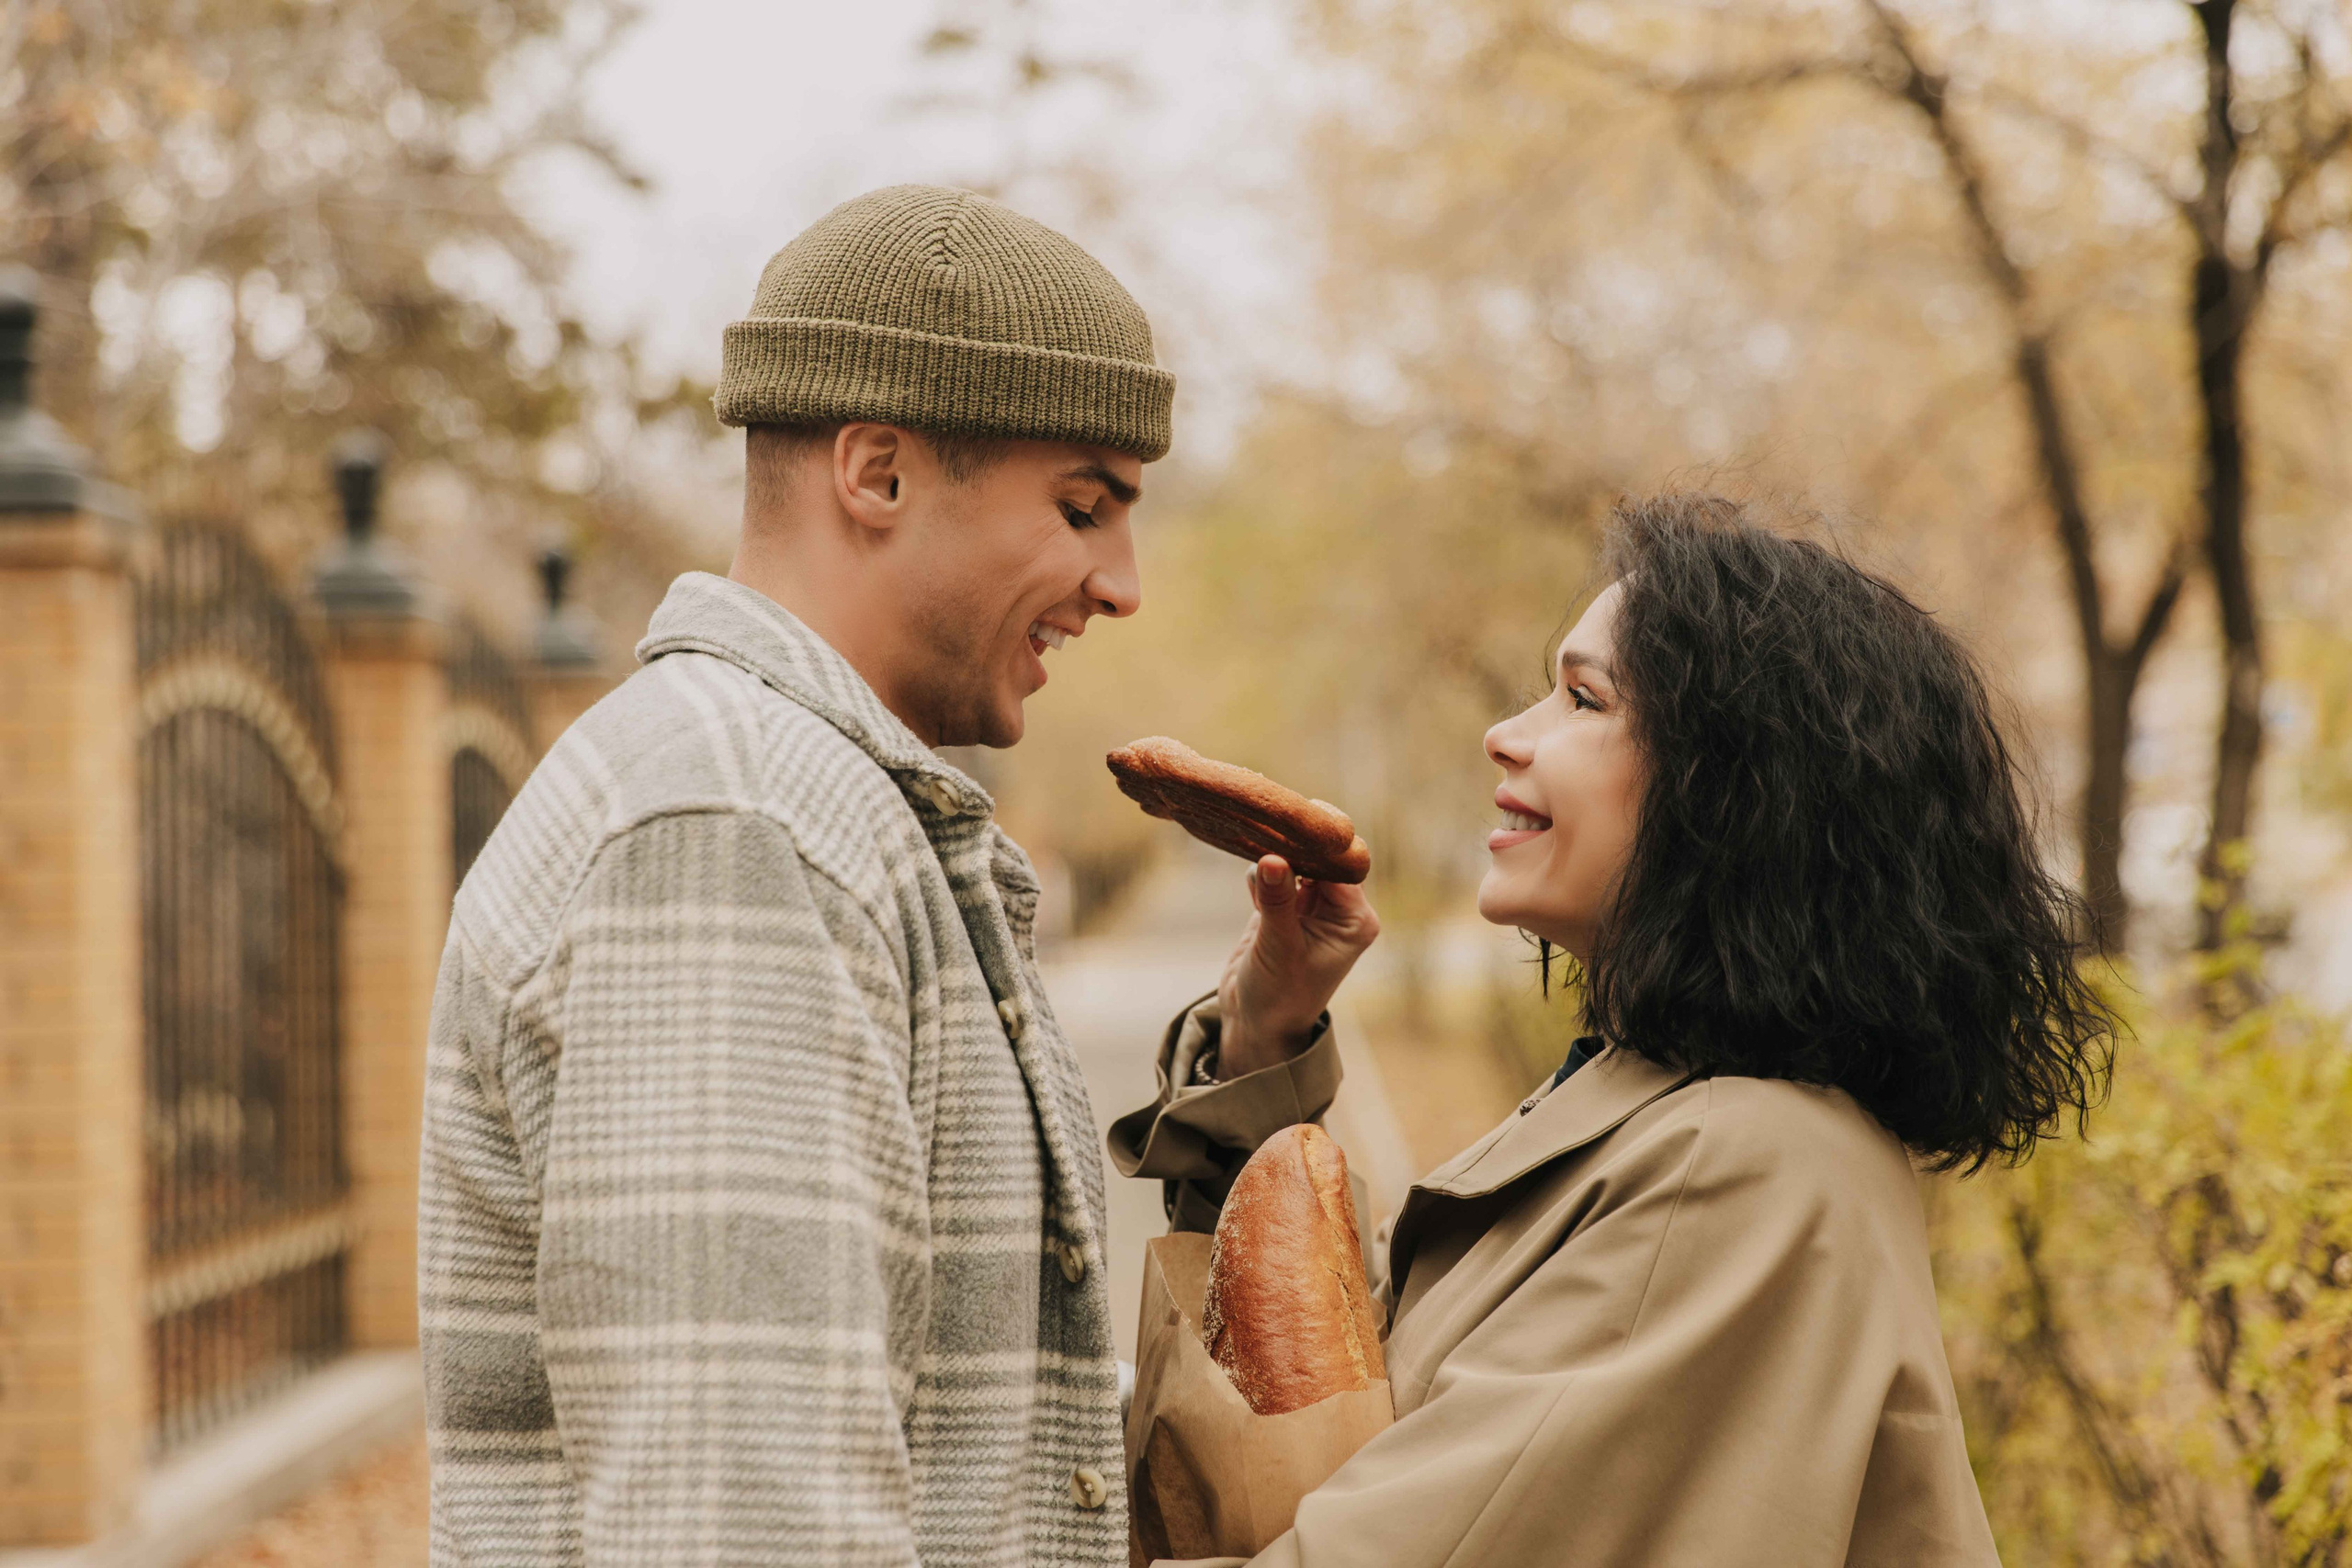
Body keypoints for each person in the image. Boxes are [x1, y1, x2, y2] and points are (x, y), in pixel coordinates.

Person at [416, 184, 1374, 1567]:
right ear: (877, 475)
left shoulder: (827, 806)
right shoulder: (735, 828)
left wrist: (1258, 1041)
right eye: (1084, 506)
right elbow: (745, 1523)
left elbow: (980, 1440)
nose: (1123, 583)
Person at [1113, 493, 2117, 1566]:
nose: (1505, 734)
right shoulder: (1652, 1109)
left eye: (1582, 699)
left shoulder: (1744, 1171)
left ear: (1732, 792)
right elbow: (1319, 1430)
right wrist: (1265, 1041)